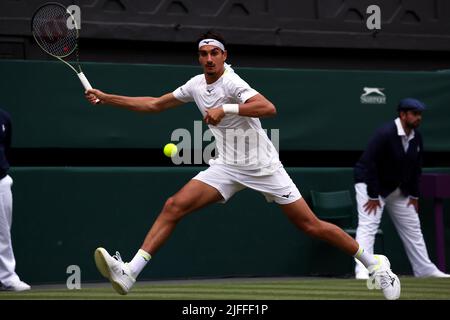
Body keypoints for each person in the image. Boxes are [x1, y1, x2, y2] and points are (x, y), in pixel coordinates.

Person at [85, 30, 401, 299]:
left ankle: (375, 265)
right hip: (227, 166)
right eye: (203, 54)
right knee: (174, 206)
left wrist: (227, 108)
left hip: (263, 166)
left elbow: (269, 107)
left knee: (310, 226)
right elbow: (155, 104)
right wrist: (106, 97)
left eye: (214, 53)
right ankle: (130, 272)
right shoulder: (195, 85)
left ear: (224, 56)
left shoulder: (233, 82)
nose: (209, 59)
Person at [354, 98, 450, 279]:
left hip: (398, 189)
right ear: (403, 115)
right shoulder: (385, 133)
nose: (418, 118)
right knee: (368, 225)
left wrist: (414, 194)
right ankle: (363, 270)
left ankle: (425, 270)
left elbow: (416, 168)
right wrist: (373, 196)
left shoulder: (416, 137)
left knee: (413, 227)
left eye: (420, 114)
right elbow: (370, 164)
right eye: (414, 114)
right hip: (370, 184)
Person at [0, 107, 31, 291]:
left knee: (3, 233)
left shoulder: (4, 117)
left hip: (1, 181)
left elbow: (6, 148)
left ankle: (7, 278)